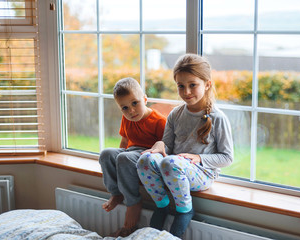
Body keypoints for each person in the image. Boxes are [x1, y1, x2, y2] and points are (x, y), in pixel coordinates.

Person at [136, 54, 234, 238]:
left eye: (192, 85)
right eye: (181, 86)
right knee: (145, 160)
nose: (186, 92)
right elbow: (168, 147)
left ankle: (184, 210)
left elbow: (227, 157)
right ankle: (162, 205)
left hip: (202, 173)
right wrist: (159, 145)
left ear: (207, 84)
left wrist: (199, 158)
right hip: (173, 167)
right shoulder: (176, 114)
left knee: (170, 163)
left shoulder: (218, 118)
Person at [99, 77, 166, 237]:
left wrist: (124, 158)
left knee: (124, 158)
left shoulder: (158, 121)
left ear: (144, 99)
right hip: (131, 152)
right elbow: (124, 141)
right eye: (125, 108)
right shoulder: (127, 119)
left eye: (135, 103)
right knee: (106, 154)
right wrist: (117, 160)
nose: (131, 111)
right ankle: (116, 193)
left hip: (148, 156)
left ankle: (133, 201)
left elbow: (165, 148)